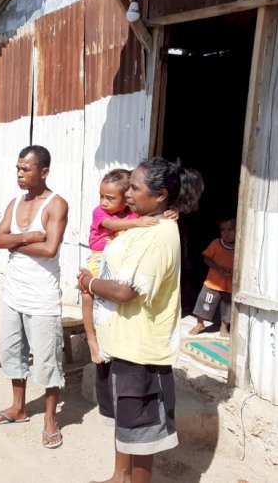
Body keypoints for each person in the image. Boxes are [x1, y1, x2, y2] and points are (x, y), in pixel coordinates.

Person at [77, 157, 203, 483]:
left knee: (142, 434)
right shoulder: (141, 223)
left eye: (134, 187)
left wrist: (89, 282)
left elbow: (125, 291)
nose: (127, 193)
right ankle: (120, 477)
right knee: (124, 421)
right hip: (119, 341)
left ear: (161, 195)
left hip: (140, 351)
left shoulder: (160, 233)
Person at [0, 145, 69, 450]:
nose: (20, 174)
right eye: (18, 168)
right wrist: (22, 237)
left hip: (42, 297)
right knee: (12, 353)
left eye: (26, 169)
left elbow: (50, 249)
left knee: (47, 361)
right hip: (14, 294)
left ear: (44, 171)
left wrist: (12, 243)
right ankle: (19, 408)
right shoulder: (15, 202)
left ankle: (50, 419)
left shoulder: (56, 204)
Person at [84, 169, 175, 364]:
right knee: (86, 293)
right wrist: (88, 282)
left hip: (131, 343)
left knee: (101, 290)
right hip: (98, 255)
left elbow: (125, 291)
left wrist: (171, 213)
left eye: (110, 198)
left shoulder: (136, 216)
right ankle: (91, 339)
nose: (103, 202)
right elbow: (110, 225)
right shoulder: (102, 213)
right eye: (101, 196)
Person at [189, 217, 236, 337]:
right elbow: (206, 258)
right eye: (223, 230)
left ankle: (224, 328)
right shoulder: (216, 244)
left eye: (230, 229)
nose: (226, 233)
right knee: (204, 303)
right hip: (213, 282)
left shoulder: (239, 248)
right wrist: (219, 268)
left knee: (228, 309)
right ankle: (200, 323)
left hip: (230, 285)